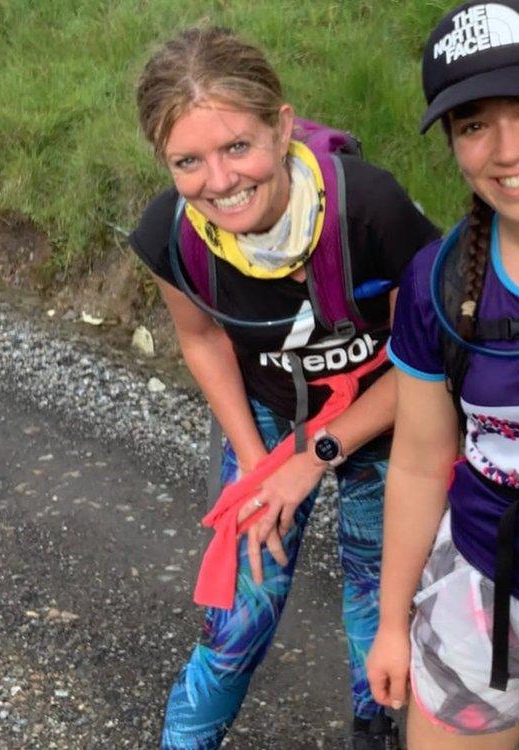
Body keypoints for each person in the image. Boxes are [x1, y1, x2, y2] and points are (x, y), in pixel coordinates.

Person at [129, 26, 438, 750]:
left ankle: (376, 729)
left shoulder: (370, 209)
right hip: (271, 416)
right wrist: (260, 468)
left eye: (238, 146)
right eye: (188, 161)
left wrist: (316, 457)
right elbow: (203, 338)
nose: (221, 181)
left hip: (388, 417)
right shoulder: (171, 234)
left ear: (283, 126)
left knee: (377, 598)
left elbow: (425, 359)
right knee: (241, 611)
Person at [366, 2, 519, 747]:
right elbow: (416, 461)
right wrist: (391, 622)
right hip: (472, 586)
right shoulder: (437, 282)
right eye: (473, 125)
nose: (506, 150)